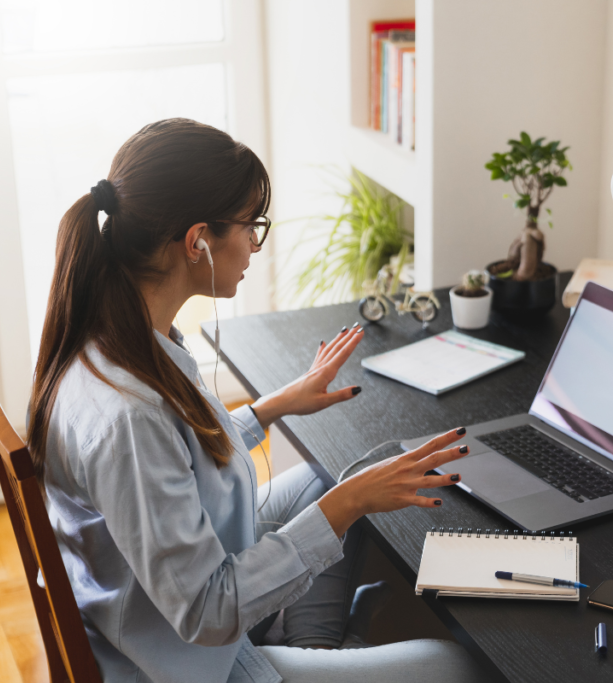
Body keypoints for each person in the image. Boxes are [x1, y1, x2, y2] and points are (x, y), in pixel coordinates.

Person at [28, 118, 486, 683]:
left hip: (158, 610)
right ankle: (313, 648)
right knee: (454, 665)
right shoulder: (129, 416)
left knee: (335, 475)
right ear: (198, 241)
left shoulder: (116, 335)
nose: (254, 245)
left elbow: (177, 452)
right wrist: (348, 505)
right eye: (251, 227)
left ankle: (315, 647)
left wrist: (274, 406)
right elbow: (207, 611)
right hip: (183, 661)